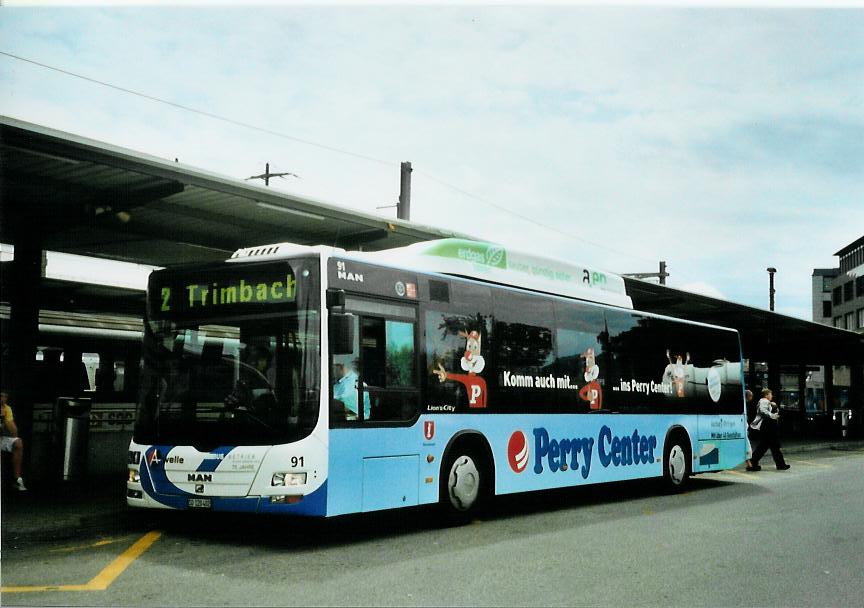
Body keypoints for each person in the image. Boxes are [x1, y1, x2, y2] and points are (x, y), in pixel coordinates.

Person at [749, 388, 790, 471]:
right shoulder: (764, 401)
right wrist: (772, 415)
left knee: (764, 446)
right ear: (766, 395)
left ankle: (753, 462)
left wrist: (773, 406)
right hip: (768, 427)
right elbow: (763, 410)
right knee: (773, 446)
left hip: (768, 427)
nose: (771, 396)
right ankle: (780, 464)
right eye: (770, 394)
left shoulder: (767, 402)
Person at [1, 390, 27, 491]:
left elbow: (14, 431)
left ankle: (16, 478)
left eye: (5, 397)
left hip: (2, 437)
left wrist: (5, 420)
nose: (2, 399)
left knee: (18, 442)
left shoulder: (7, 409)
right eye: (1, 396)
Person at [744, 389, 757, 471]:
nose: (752, 397)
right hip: (742, 428)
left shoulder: (744, 403)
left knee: (746, 445)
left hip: (744, 427)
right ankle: (749, 464)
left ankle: (749, 464)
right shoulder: (743, 403)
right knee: (746, 445)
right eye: (751, 395)